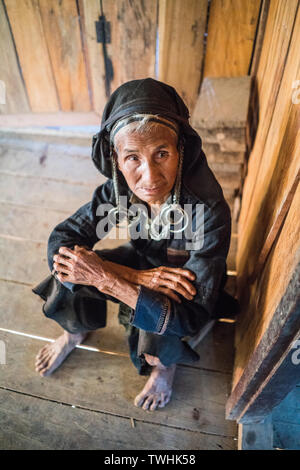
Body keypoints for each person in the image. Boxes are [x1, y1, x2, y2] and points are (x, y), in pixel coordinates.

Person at [32, 78, 238, 411]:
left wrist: (107, 277)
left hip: (183, 283)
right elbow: (64, 239)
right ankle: (76, 329)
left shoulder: (205, 210)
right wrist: (134, 277)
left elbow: (190, 314)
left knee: (163, 313)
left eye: (162, 154)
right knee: (67, 266)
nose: (151, 178)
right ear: (115, 157)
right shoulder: (121, 191)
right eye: (133, 158)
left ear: (181, 150)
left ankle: (164, 367)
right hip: (143, 261)